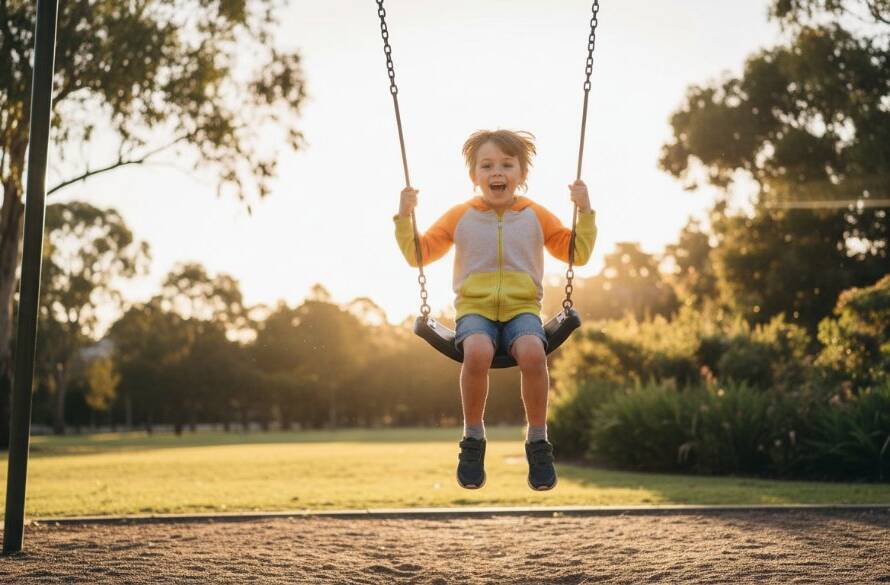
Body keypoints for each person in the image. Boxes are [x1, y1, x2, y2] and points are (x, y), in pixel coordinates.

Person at [393, 129, 597, 490]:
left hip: (522, 310)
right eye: (486, 165)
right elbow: (419, 254)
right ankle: (473, 439)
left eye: (506, 164)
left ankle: (538, 440)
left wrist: (585, 211)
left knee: (534, 353)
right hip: (475, 310)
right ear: (474, 176)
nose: (496, 172)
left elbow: (575, 253)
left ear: (521, 174)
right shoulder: (460, 215)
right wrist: (404, 217)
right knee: (477, 351)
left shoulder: (537, 215)